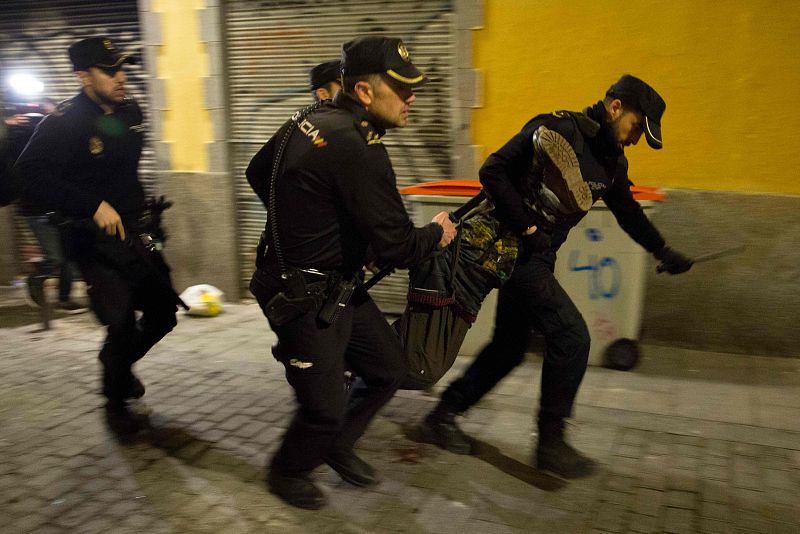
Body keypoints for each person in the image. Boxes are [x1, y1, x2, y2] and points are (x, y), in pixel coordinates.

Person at [418, 74, 693, 479]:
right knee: (571, 337)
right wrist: (528, 227)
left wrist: (663, 250)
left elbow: (629, 213)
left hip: (536, 259)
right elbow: (492, 170)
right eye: (637, 126)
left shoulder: (613, 162)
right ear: (615, 107)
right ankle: (550, 445)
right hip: (510, 250)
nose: (636, 138)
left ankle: (442, 416)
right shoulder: (558, 129)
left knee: (510, 347)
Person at [247, 35, 457, 510]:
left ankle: (336, 445)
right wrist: (438, 233)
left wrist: (313, 221)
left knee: (387, 370)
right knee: (322, 408)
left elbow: (258, 174)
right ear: (364, 92)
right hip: (300, 296)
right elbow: (400, 245)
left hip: (335, 287)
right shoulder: (360, 148)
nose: (412, 98)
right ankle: (288, 470)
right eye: (401, 89)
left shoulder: (309, 118)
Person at [14, 36, 178, 434]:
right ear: (84, 77)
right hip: (92, 242)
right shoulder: (63, 122)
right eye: (111, 70)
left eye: (123, 68)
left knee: (163, 314)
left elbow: (123, 173)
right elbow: (26, 174)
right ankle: (115, 399)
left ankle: (116, 365)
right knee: (119, 321)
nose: (122, 77)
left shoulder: (129, 111)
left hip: (134, 233)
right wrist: (90, 205)